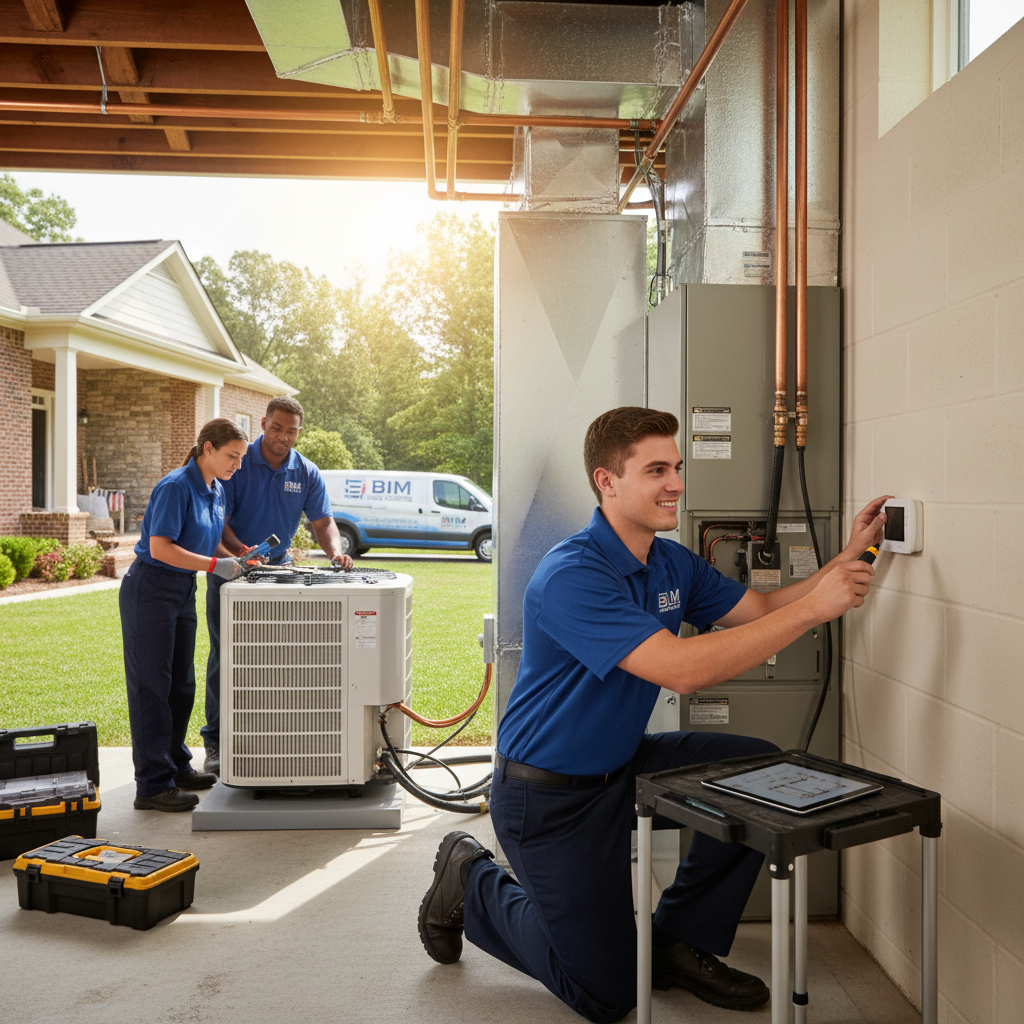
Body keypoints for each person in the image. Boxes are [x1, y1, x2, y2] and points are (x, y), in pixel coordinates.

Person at [417, 407, 891, 1022]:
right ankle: (472, 878)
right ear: (606, 482)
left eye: (678, 467)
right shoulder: (573, 574)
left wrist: (848, 557)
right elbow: (682, 669)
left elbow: (760, 608)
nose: (677, 483)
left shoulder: (670, 563)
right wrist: (814, 612)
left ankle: (674, 941)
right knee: (608, 994)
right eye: (657, 470)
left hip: (624, 769)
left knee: (756, 772)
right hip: (549, 800)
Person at [200, 395, 353, 774]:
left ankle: (274, 736)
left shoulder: (307, 472)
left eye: (290, 430)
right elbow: (217, 523)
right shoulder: (237, 462)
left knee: (281, 658)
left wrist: (335, 553)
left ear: (299, 433)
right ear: (264, 423)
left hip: (280, 574)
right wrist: (237, 556)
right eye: (276, 427)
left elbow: (323, 523)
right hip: (231, 572)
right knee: (228, 657)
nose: (282, 436)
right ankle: (217, 741)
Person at [120, 417, 251, 812]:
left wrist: (240, 560)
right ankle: (152, 785)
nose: (237, 465)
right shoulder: (176, 486)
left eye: (242, 458)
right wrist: (215, 566)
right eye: (232, 456)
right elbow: (160, 548)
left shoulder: (216, 489)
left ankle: (176, 766)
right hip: (151, 588)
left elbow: (211, 544)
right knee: (151, 688)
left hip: (182, 590)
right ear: (207, 449)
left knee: (182, 686)